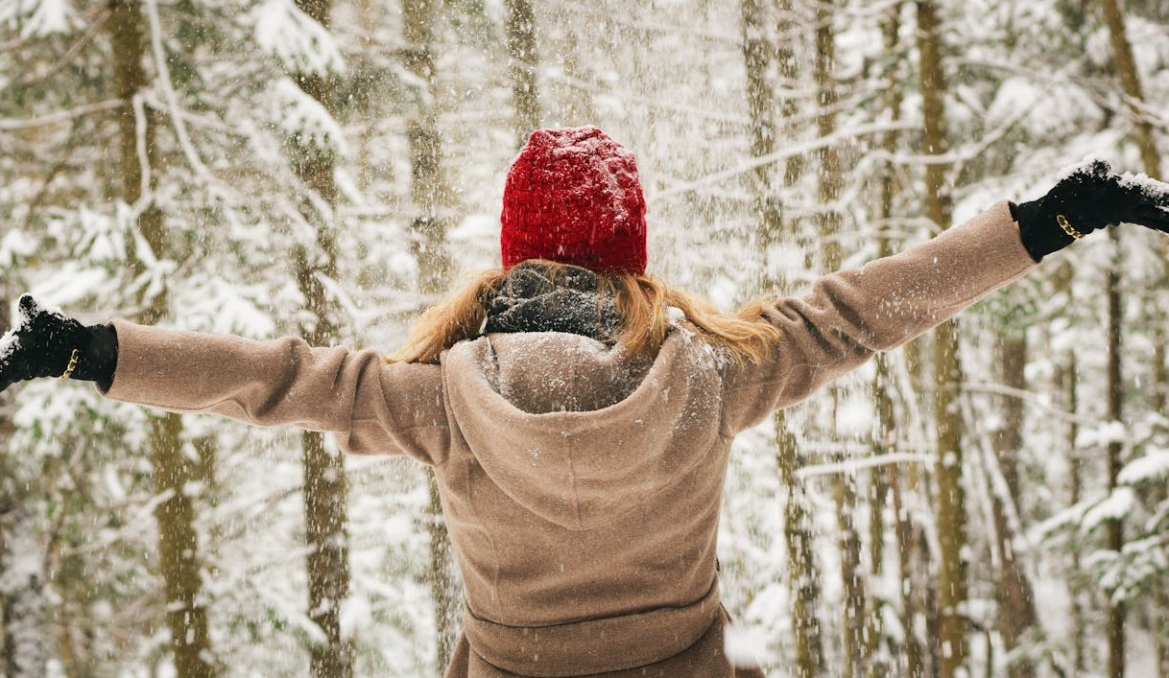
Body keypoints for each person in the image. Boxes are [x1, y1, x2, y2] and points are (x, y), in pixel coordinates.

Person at [1, 126, 1168, 677]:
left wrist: (86, 349)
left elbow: (268, 381)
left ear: (509, 260)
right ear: (629, 259)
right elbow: (865, 310)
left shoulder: (437, 401)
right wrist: (1050, 218)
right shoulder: (714, 374)